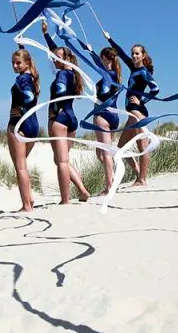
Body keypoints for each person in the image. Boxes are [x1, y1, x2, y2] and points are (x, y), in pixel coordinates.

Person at [41, 20, 90, 204]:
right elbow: (56, 52)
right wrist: (46, 34)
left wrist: (58, 104)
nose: (54, 59)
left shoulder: (62, 74)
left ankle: (65, 199)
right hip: (71, 118)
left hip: (59, 117)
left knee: (61, 161)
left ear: (66, 58)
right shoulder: (72, 72)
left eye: (57, 58)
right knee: (63, 160)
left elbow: (61, 90)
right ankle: (83, 191)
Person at [103, 30, 159, 186]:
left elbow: (155, 89)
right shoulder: (134, 68)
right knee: (121, 147)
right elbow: (120, 53)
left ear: (143, 56)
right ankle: (138, 174)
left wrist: (142, 101)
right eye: (133, 54)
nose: (134, 56)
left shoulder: (143, 72)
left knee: (143, 146)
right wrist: (110, 39)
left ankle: (142, 179)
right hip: (130, 113)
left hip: (137, 112)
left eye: (137, 54)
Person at [81, 41, 122, 195]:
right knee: (101, 153)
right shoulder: (116, 75)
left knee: (105, 153)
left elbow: (104, 93)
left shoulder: (108, 76)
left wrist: (96, 97)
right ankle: (113, 178)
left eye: (101, 58)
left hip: (103, 116)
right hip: (114, 116)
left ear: (105, 58)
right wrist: (90, 51)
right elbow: (99, 65)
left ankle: (110, 186)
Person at [7, 45, 41, 212]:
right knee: (22, 165)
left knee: (20, 166)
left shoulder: (22, 80)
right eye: (13, 63)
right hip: (33, 124)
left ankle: (26, 205)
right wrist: (22, 47)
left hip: (19, 123)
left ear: (27, 63)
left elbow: (28, 97)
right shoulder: (33, 77)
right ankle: (30, 198)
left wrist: (20, 107)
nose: (14, 66)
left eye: (18, 63)